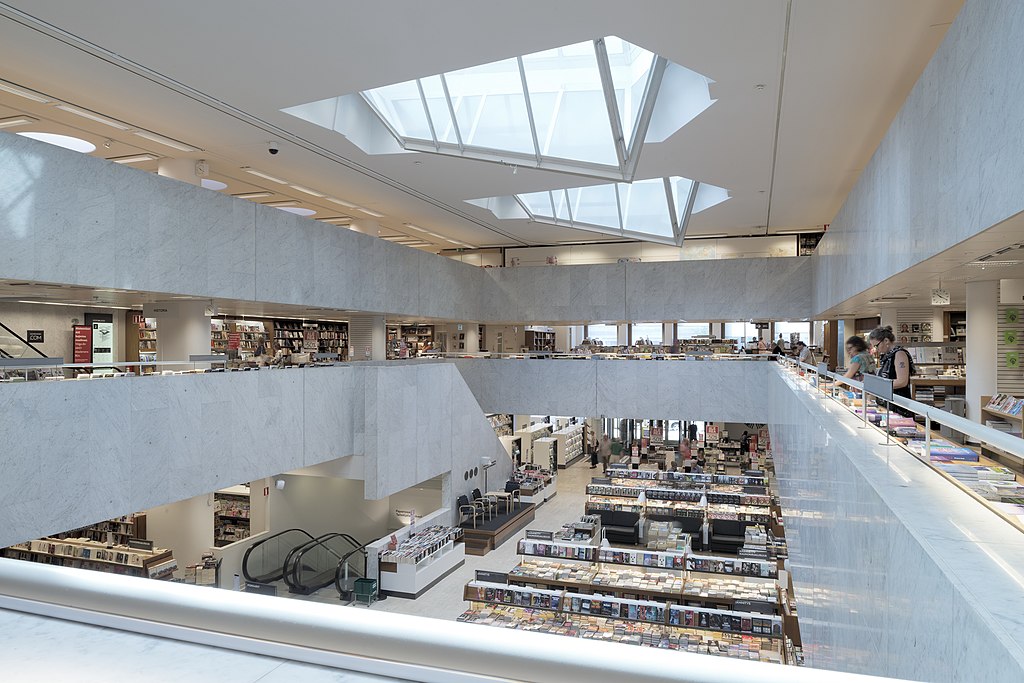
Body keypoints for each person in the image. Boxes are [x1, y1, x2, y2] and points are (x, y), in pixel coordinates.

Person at [869, 325, 915, 410]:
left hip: (897, 405)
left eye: (876, 346)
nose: (876, 349)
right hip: (887, 404)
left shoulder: (900, 354)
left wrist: (877, 385)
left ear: (886, 341)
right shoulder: (887, 356)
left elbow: (902, 381)